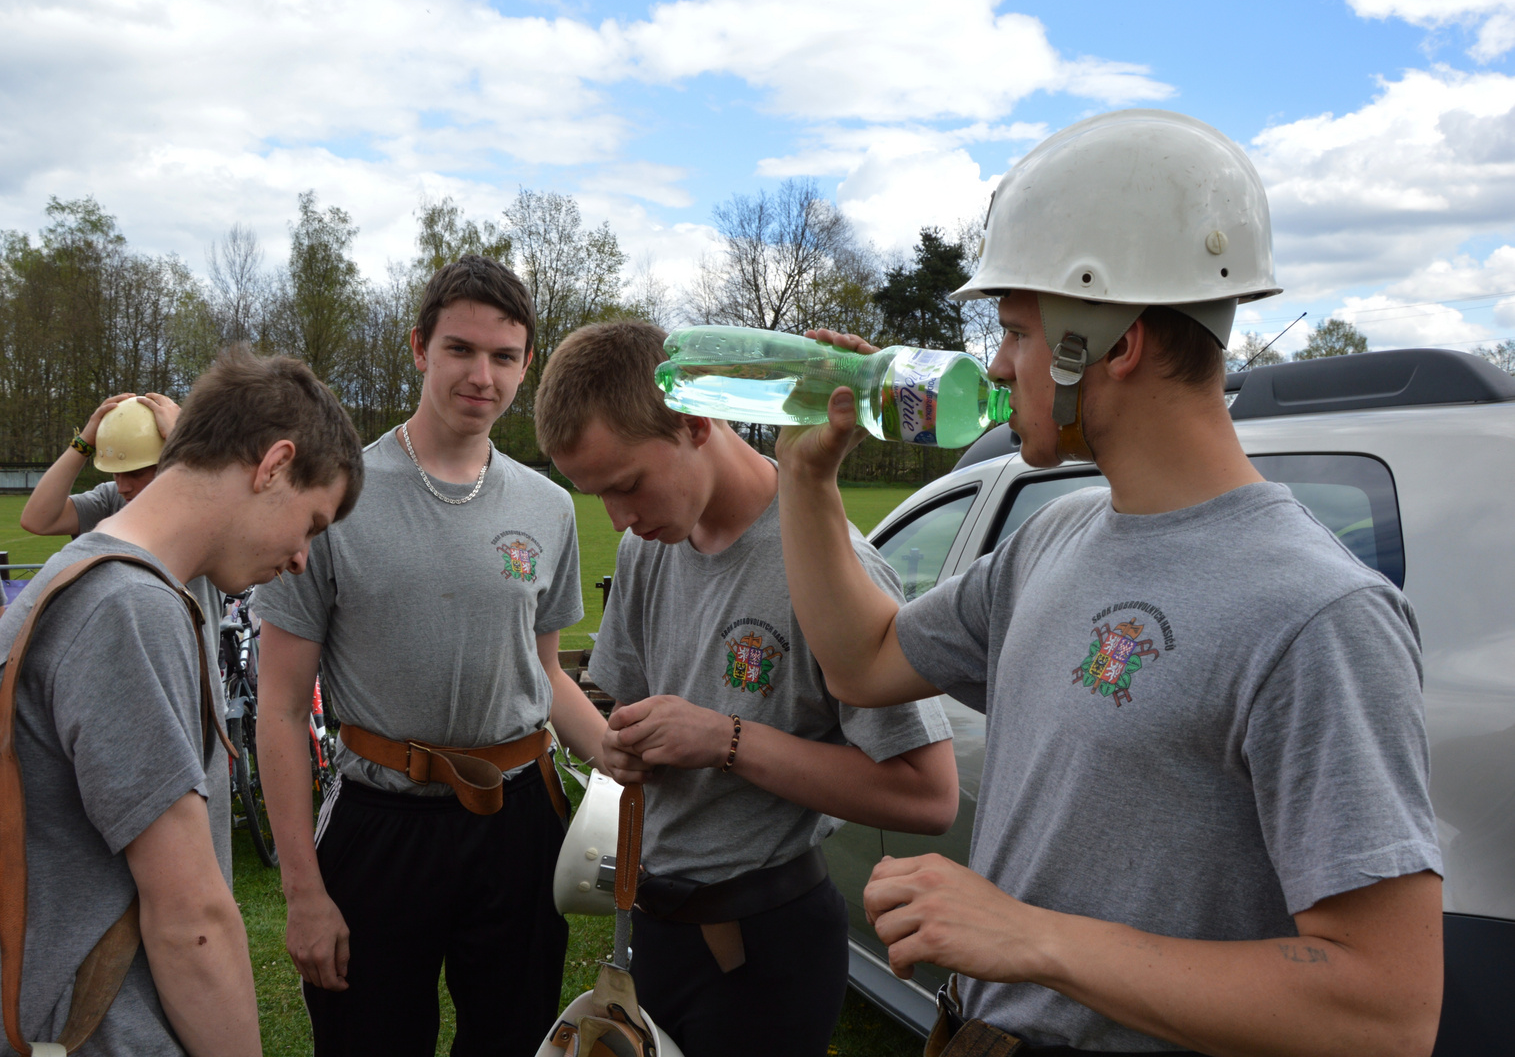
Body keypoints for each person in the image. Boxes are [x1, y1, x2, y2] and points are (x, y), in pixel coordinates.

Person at [774, 110, 1445, 1056]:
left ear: (1111, 343)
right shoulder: (1055, 536)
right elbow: (861, 662)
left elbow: (1387, 1010)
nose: (998, 367)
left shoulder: (1317, 614)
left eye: (1014, 331)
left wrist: (1035, 940)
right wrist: (806, 482)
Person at [536, 319, 958, 1057]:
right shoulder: (647, 548)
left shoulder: (835, 570)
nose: (619, 519)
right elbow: (624, 713)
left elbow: (927, 795)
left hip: (767, 949)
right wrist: (624, 747)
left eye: (628, 485)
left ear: (697, 420)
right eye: (595, 495)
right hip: (654, 930)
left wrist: (725, 740)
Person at [254, 255, 608, 1057]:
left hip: (520, 822)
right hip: (381, 825)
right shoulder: (338, 495)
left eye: (504, 356)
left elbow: (546, 672)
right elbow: (278, 708)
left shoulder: (546, 506)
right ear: (418, 348)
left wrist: (620, 760)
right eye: (460, 349)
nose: (481, 375)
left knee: (512, 1039)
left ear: (526, 366)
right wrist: (302, 891)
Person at [0, 345, 364, 1056]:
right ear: (274, 465)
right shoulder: (127, 607)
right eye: (313, 525)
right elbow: (190, 919)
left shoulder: (77, 576)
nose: (300, 558)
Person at [18, 390, 235, 886]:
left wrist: (193, 442)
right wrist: (82, 440)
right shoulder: (114, 501)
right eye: (116, 472)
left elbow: (233, 512)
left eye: (139, 472)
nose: (125, 486)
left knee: (201, 851)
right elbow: (39, 518)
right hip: (132, 689)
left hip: (191, 692)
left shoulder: (204, 507)